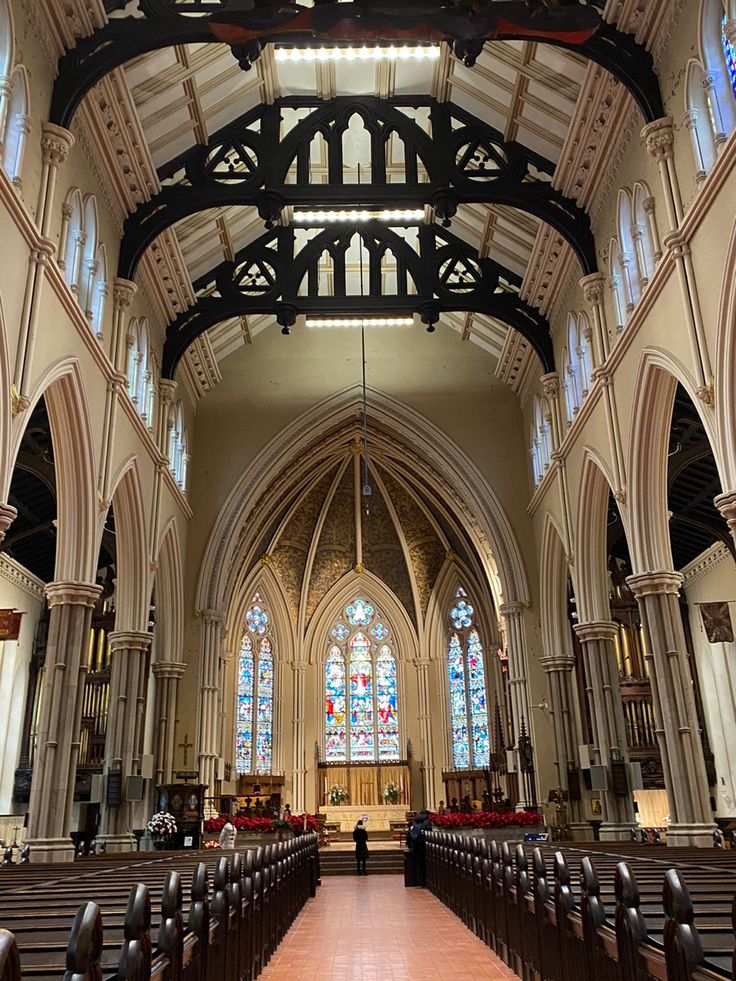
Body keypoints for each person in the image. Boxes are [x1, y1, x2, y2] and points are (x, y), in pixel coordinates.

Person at [407, 809, 432, 887]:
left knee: (417, 863)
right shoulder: (427, 821)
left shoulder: (414, 821)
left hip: (415, 845)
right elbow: (429, 833)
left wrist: (409, 845)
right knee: (424, 863)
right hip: (424, 845)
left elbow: (409, 834)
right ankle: (425, 881)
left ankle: (418, 880)